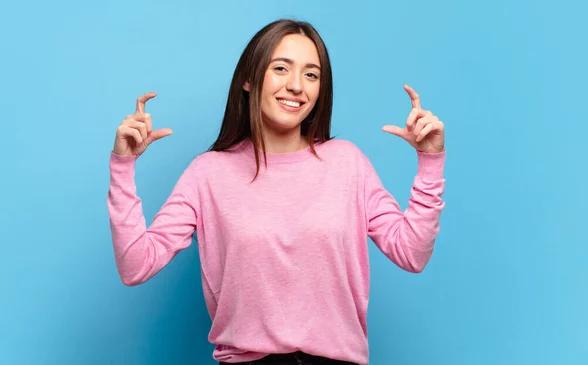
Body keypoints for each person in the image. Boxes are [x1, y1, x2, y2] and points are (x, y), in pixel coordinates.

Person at [107, 19, 446, 365]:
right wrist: (123, 166)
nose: (296, 86)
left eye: (311, 75)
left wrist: (430, 161)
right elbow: (136, 265)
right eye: (281, 68)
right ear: (249, 79)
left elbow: (411, 254)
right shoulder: (208, 173)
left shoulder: (348, 164)